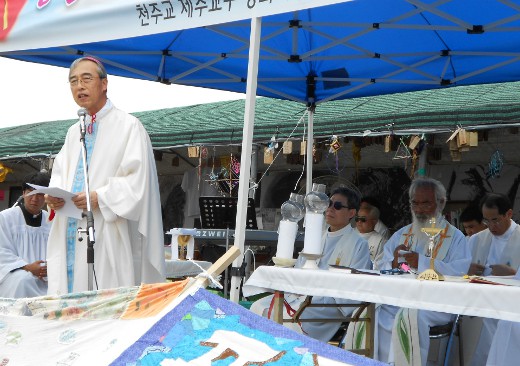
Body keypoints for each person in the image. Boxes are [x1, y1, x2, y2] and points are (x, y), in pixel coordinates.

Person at [44, 56, 165, 295]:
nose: (79, 86)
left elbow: (138, 182)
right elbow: (60, 172)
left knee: (103, 296)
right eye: (73, 81)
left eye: (86, 79)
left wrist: (101, 196)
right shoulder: (73, 132)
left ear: (104, 83)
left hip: (106, 230)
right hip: (69, 227)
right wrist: (54, 197)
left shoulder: (129, 126)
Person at [250, 187, 371, 342]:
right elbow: (301, 269)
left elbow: (356, 284)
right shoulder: (315, 236)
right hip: (302, 296)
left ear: (352, 213)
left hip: (330, 304)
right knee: (258, 307)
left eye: (338, 206)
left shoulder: (358, 244)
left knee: (288, 315)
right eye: (329, 203)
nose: (330, 209)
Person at [377, 177, 471, 366]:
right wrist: (395, 262)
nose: (419, 209)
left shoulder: (456, 238)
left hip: (438, 302)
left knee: (410, 315)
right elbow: (383, 266)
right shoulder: (402, 234)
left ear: (441, 203)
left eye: (426, 203)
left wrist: (423, 262)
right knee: (375, 310)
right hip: (402, 296)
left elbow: (459, 272)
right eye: (415, 203)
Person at [467, 193, 520, 366]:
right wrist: (468, 268)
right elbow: (460, 267)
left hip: (512, 305)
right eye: (486, 221)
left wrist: (513, 273)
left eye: (495, 220)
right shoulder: (476, 240)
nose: (490, 226)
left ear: (509, 214)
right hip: (480, 302)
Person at [0, 171, 51, 298]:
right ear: (23, 193)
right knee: (24, 280)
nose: (34, 199)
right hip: (15, 273)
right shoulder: (6, 217)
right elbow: (2, 251)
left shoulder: (51, 221)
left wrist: (48, 268)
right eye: (30, 192)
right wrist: (27, 267)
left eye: (39, 194)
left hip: (46, 276)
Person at [354, 204, 386, 269]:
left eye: (363, 219)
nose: (359, 222)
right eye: (357, 218)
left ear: (374, 222)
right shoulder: (349, 234)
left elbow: (380, 264)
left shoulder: (381, 241)